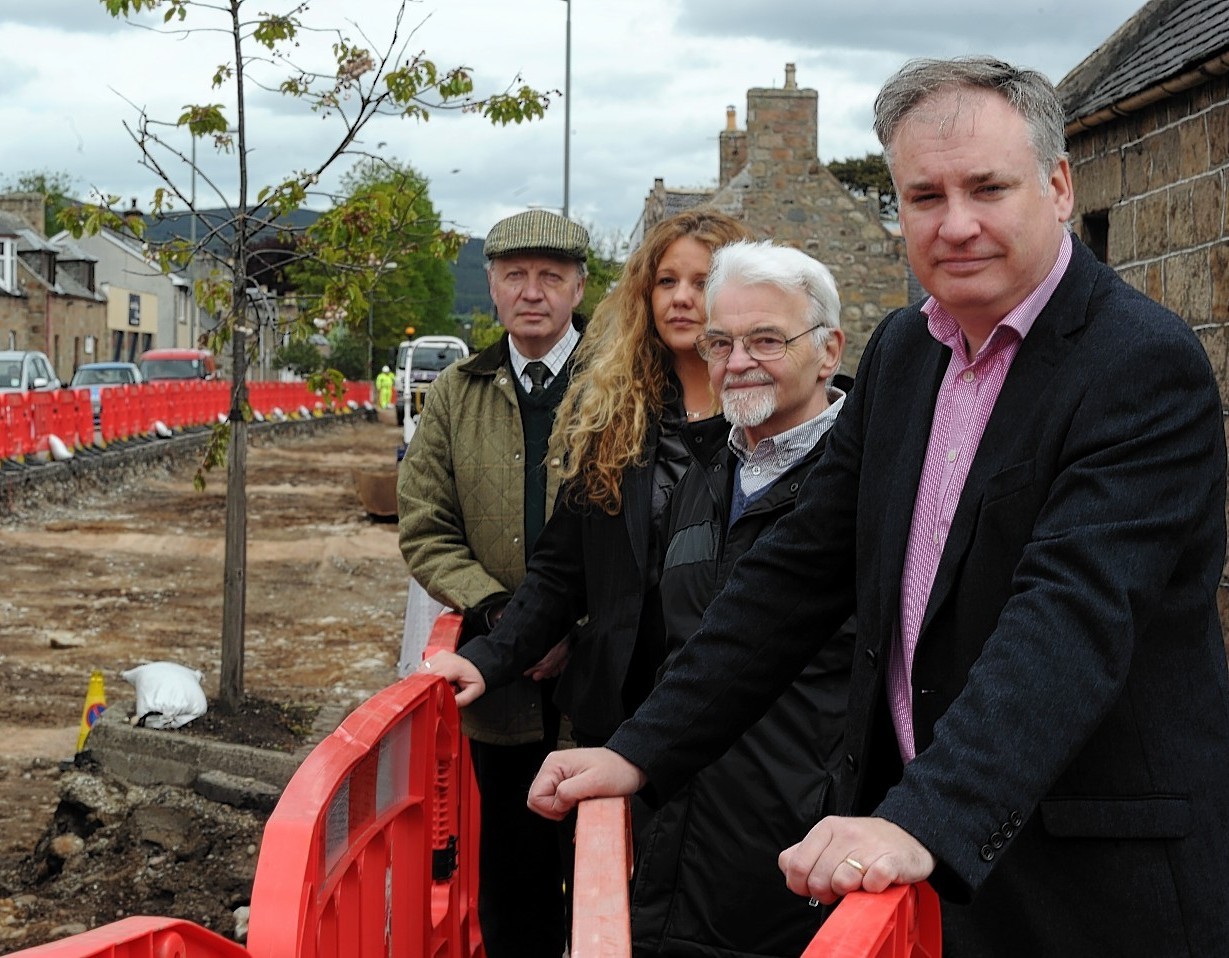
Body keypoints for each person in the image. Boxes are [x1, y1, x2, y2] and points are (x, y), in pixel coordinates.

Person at [527, 55, 1229, 957]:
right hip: (925, 857)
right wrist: (641, 747)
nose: (957, 224)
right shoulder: (906, 353)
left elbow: (1072, 616)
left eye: (987, 187)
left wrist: (924, 819)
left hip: (1089, 881)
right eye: (924, 196)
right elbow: (797, 571)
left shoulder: (1139, 365)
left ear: (1057, 187)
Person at [423, 210, 754, 750]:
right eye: (666, 281)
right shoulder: (617, 419)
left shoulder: (773, 417)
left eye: (703, 281)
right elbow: (560, 567)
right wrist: (488, 657)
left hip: (737, 723)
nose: (681, 297)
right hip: (622, 710)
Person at [629, 240, 854, 958]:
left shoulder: (868, 487)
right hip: (676, 845)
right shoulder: (707, 470)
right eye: (720, 342)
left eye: (765, 339)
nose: (736, 360)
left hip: (792, 862)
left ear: (827, 351)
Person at [397, 208, 590, 958]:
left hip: (605, 672)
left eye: (550, 276)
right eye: (515, 275)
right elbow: (425, 526)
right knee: (513, 871)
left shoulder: (622, 383)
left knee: (611, 859)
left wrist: (575, 629)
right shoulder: (455, 393)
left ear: (578, 286)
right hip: (500, 681)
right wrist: (506, 618)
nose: (532, 292)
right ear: (491, 287)